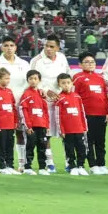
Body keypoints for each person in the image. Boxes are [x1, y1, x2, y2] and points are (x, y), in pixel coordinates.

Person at [28, 38, 70, 169]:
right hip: (45, 102)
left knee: (67, 132)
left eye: (52, 46)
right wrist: (46, 90)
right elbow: (31, 79)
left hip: (62, 101)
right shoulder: (36, 61)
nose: (48, 49)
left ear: (57, 48)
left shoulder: (62, 58)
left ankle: (69, 161)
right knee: (46, 134)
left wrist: (66, 91)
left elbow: (67, 75)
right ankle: (49, 162)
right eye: (46, 46)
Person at [0, 37, 29, 169]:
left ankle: (22, 163)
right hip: (5, 104)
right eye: (6, 45)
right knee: (6, 136)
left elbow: (30, 81)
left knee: (22, 133)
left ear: (15, 47)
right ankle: (4, 164)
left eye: (12, 45)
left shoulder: (24, 63)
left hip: (21, 103)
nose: (9, 48)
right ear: (2, 48)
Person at [72, 52, 108, 175]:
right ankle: (92, 165)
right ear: (80, 64)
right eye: (87, 62)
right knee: (88, 140)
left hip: (101, 114)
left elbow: (104, 96)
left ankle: (102, 164)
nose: (90, 64)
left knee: (100, 141)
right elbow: (74, 97)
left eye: (92, 62)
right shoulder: (78, 78)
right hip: (86, 114)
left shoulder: (100, 78)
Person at [19, 69, 52, 175]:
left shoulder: (42, 95)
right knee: (30, 146)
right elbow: (23, 110)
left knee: (42, 147)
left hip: (42, 125)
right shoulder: (26, 94)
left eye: (35, 78)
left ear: (39, 80)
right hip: (31, 127)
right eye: (30, 79)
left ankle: (42, 168)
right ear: (27, 80)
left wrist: (47, 125)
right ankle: (27, 167)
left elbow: (46, 111)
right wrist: (28, 126)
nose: (33, 81)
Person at [55, 73, 88, 175]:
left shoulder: (77, 97)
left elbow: (82, 112)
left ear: (72, 83)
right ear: (59, 85)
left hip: (79, 129)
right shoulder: (59, 99)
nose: (66, 85)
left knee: (81, 148)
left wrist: (85, 127)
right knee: (69, 149)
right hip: (68, 130)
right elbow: (58, 116)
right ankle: (72, 166)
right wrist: (61, 130)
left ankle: (81, 166)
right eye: (63, 83)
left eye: (68, 82)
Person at [0, 67, 19, 175]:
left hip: (10, 125)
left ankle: (10, 166)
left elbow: (13, 107)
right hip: (0, 125)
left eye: (9, 78)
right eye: (6, 78)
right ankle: (2, 167)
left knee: (10, 146)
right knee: (1, 147)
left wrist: (15, 121)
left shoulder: (9, 92)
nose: (8, 80)